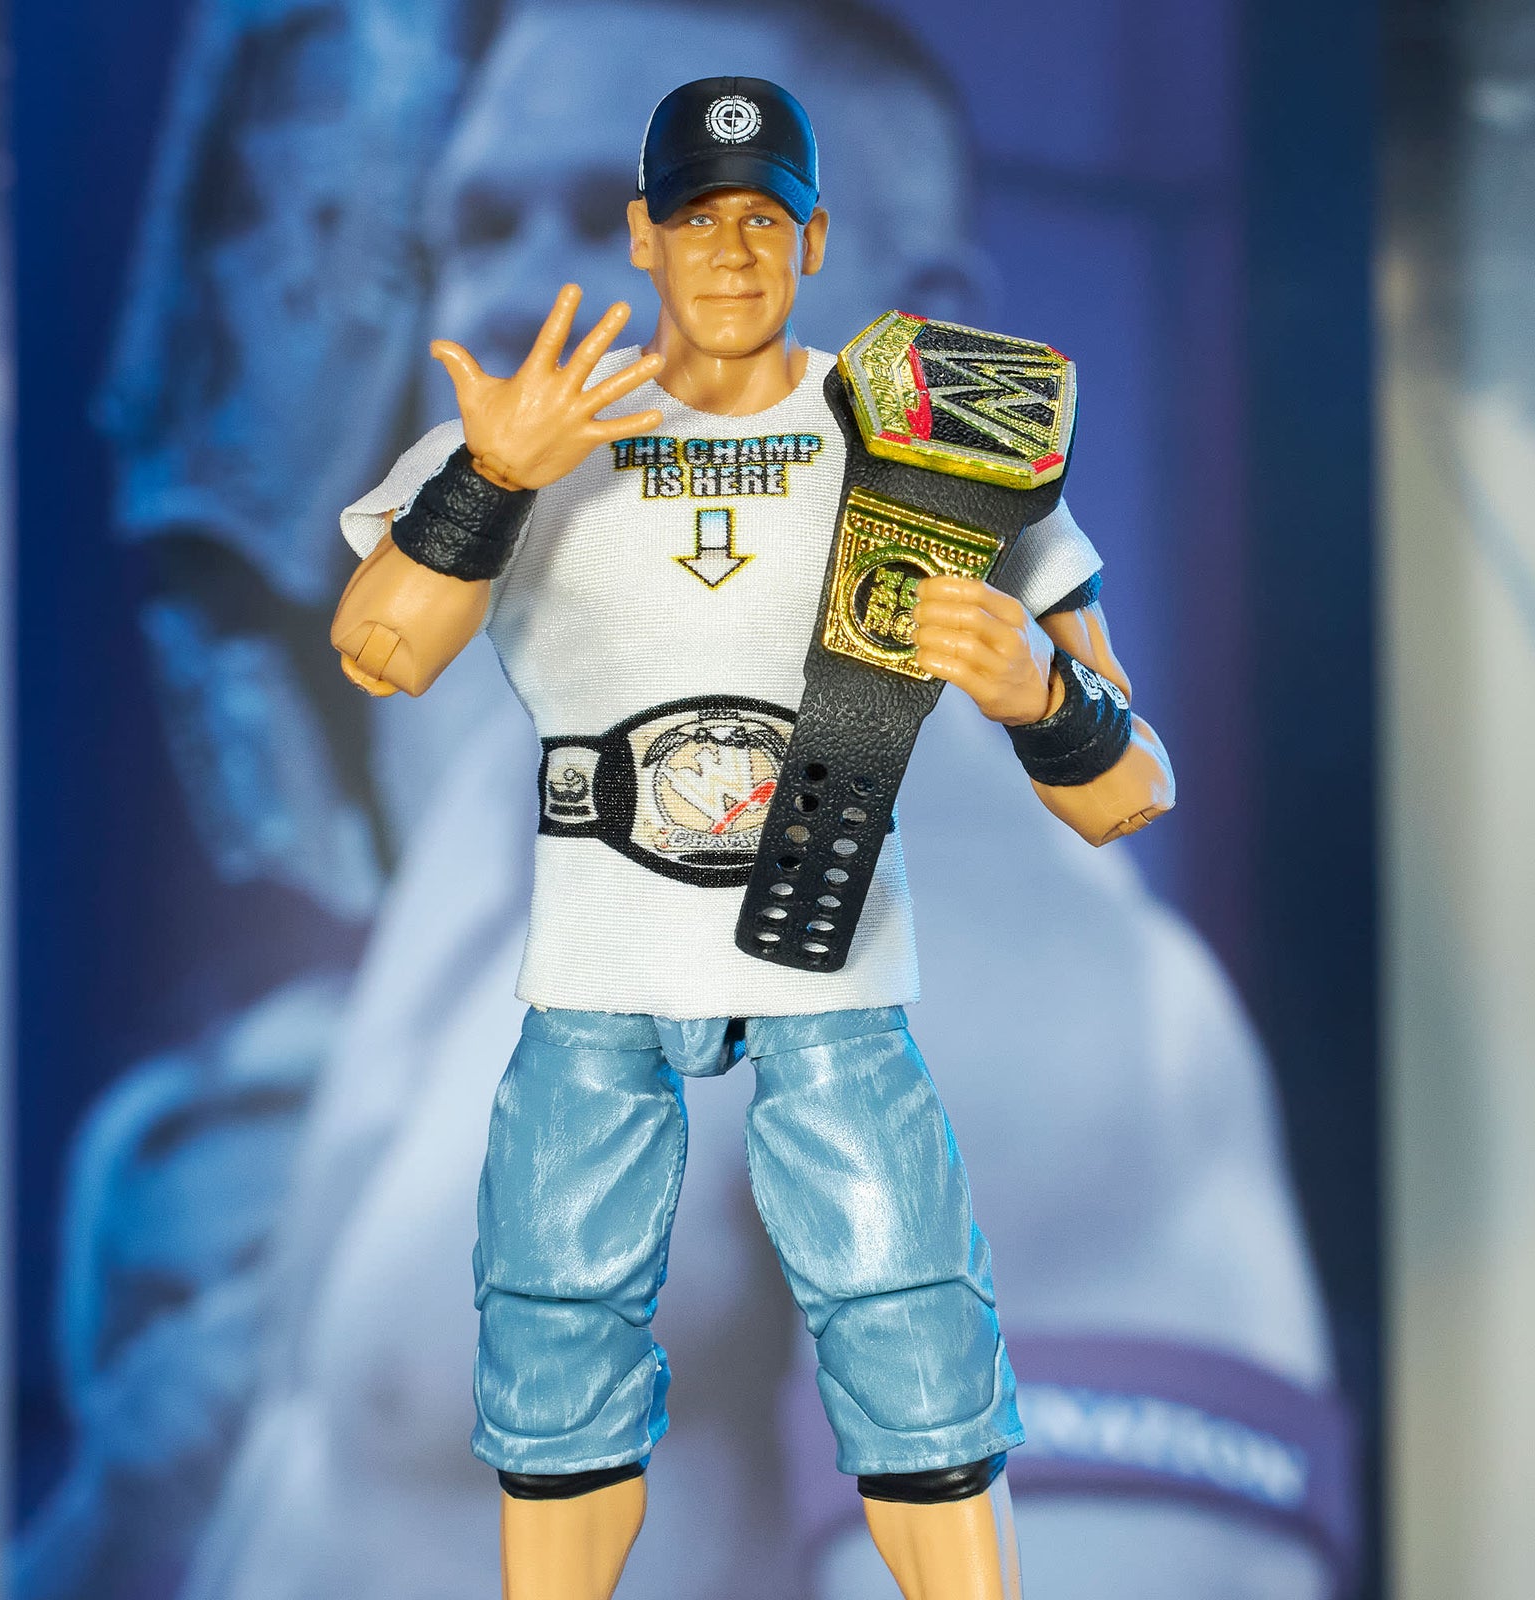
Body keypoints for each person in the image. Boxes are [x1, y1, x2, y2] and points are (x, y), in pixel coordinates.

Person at [175, 6, 1352, 1600]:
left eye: (635, 223)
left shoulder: (1003, 955)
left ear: (915, 328)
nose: (521, 298)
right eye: (478, 229)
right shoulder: (503, 818)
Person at [327, 72, 1171, 1599]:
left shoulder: (951, 449)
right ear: (650, 240)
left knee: (916, 1351)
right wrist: (492, 481)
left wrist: (1044, 696)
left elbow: (1127, 791)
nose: (728, 253)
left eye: (762, 223)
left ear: (816, 239)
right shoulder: (530, 452)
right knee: (550, 1364)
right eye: (693, 222)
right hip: (593, 986)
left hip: (826, 978)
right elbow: (382, 648)